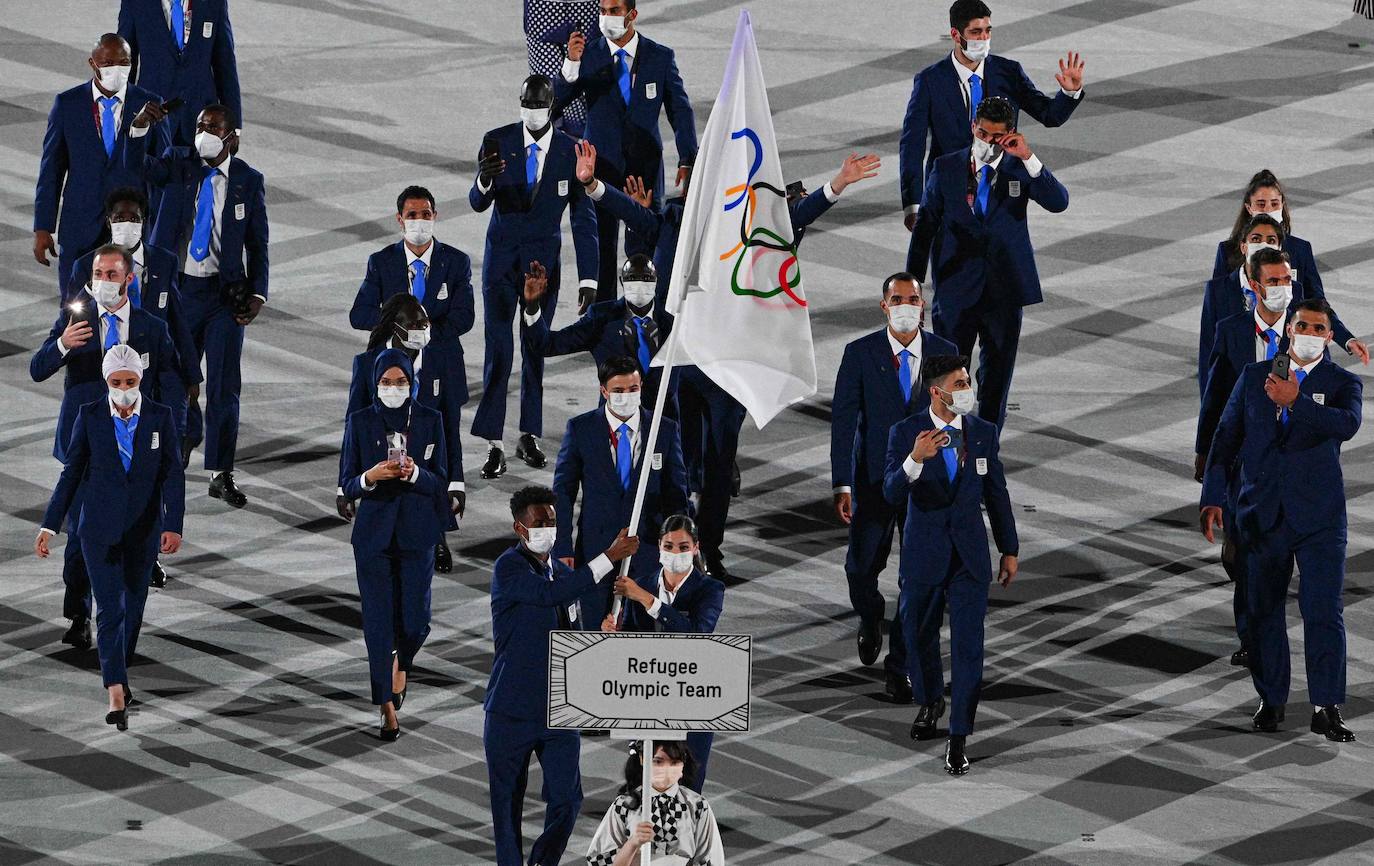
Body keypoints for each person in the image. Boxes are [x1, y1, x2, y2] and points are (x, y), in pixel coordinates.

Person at [579, 140, 881, 578]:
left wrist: (836, 185)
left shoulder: (751, 222)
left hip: (729, 359)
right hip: (680, 359)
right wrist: (592, 185)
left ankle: (710, 549)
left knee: (720, 460)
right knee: (679, 458)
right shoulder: (672, 219)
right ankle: (674, 545)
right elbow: (632, 213)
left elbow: (793, 218)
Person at [1201, 299, 1362, 742]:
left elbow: (1347, 425)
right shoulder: (1254, 377)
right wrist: (1213, 497)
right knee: (1264, 611)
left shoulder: (1343, 382)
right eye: (1303, 324)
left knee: (1323, 611)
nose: (1310, 332)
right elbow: (1226, 437)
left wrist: (1297, 401)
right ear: (1289, 330)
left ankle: (1325, 706)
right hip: (1263, 515)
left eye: (1319, 327)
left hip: (1320, 519)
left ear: (1329, 336)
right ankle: (1271, 699)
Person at [30, 245, 183, 644]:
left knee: (136, 525)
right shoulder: (74, 318)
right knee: (82, 534)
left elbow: (168, 382)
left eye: (112, 275)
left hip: (136, 444)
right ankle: (78, 615)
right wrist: (63, 344)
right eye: (98, 274)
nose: (103, 282)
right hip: (88, 446)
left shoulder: (152, 327)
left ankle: (123, 620)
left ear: (129, 279)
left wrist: (174, 434)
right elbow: (37, 369)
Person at [484, 486, 637, 866]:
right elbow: (549, 595)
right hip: (511, 710)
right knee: (506, 808)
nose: (547, 529)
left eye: (552, 521)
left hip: (559, 710)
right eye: (540, 523)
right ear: (520, 528)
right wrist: (607, 558)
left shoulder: (565, 573)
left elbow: (570, 635)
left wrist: (597, 639)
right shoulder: (509, 568)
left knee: (568, 801)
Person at [34, 344, 184, 732]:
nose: (123, 388)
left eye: (129, 381)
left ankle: (121, 673)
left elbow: (172, 474)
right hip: (97, 530)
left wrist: (173, 525)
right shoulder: (88, 417)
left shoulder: (160, 417)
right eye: (116, 382)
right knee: (110, 610)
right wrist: (50, 525)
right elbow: (71, 474)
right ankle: (115, 689)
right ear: (105, 381)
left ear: (140, 379)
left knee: (132, 609)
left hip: (142, 532)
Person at [128, 101, 268, 507]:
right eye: (200, 124)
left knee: (225, 386)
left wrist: (258, 292)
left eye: (213, 127)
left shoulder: (248, 180)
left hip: (225, 298)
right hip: (177, 293)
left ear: (231, 137)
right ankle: (177, 442)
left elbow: (258, 242)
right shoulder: (178, 161)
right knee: (172, 378)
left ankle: (220, 472)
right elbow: (138, 169)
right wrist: (138, 130)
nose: (204, 132)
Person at [883, 355, 1017, 775]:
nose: (967, 389)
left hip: (969, 558)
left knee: (967, 646)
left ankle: (959, 735)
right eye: (959, 383)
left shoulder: (982, 434)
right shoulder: (905, 433)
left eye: (967, 381)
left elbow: (996, 491)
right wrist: (915, 459)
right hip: (924, 554)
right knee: (917, 633)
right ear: (936, 392)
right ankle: (929, 700)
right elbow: (889, 492)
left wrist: (1008, 547)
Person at [908, 95, 1069, 430]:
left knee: (996, 380)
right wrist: (912, 286)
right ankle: (945, 441)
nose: (988, 142)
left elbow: (1059, 202)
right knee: (947, 373)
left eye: (996, 137)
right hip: (955, 290)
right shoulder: (946, 167)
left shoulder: (1020, 168)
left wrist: (1029, 157)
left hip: (1004, 293)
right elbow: (925, 228)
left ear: (1010, 134)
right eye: (982, 134)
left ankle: (987, 449)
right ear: (973, 127)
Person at [831, 273, 956, 700]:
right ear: (884, 306)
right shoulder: (859, 354)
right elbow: (844, 423)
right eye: (897, 299)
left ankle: (900, 664)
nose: (906, 306)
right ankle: (870, 615)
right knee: (860, 569)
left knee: (918, 578)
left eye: (913, 299)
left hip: (926, 484)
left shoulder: (946, 353)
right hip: (873, 481)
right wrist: (842, 483)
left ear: (923, 306)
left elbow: (957, 421)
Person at [469, 74, 599, 480]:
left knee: (535, 348)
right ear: (520, 103)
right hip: (500, 265)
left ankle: (529, 434)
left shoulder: (569, 151)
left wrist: (589, 279)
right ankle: (493, 443)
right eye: (526, 103)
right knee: (499, 350)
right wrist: (485, 178)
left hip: (542, 270)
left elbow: (582, 217)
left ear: (551, 106)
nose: (531, 112)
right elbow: (477, 202)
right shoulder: (497, 140)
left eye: (539, 105)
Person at [345, 186, 474, 568]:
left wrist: (424, 331)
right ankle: (389, 528)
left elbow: (464, 316)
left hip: (441, 369)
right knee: (395, 448)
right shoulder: (381, 262)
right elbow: (358, 314)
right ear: (399, 219)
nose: (420, 221)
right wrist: (397, 321)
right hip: (393, 374)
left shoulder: (457, 262)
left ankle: (438, 537)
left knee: (440, 447)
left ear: (436, 217)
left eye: (427, 213)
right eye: (413, 214)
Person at [1195, 247, 1308, 668]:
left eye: (1286, 281)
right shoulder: (1231, 330)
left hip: (1289, 466)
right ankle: (1252, 634)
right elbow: (1214, 404)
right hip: (1243, 462)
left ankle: (1264, 634)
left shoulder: (1305, 334)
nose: (1282, 288)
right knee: (1238, 556)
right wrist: (1204, 458)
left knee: (1274, 557)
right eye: (1274, 282)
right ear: (1255, 285)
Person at [555, 0, 697, 303]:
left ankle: (646, 321)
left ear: (632, 14)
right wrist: (570, 64)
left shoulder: (660, 57)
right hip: (600, 168)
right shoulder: (588, 55)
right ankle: (604, 325)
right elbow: (556, 106)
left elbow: (680, 110)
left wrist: (688, 157)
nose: (606, 17)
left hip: (643, 169)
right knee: (603, 246)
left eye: (614, 11)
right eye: (603, 11)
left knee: (644, 245)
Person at [339, 349, 447, 741]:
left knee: (416, 623)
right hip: (373, 539)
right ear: (375, 383)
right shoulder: (360, 421)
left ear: (412, 383)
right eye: (386, 382)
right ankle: (385, 706)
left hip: (417, 534)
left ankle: (402, 661)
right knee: (378, 625)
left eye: (400, 382)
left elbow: (441, 480)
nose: (393, 388)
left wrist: (416, 472)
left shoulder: (431, 420)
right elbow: (347, 483)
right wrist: (372, 475)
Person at [899, 0, 1083, 230]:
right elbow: (912, 145)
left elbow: (1049, 116)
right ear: (956, 35)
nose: (984, 38)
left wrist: (1069, 91)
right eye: (975, 32)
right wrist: (913, 205)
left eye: (987, 31)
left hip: (1001, 191)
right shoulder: (930, 80)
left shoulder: (1009, 73)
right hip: (948, 192)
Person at [552, 355, 689, 625]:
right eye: (618, 391)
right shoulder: (581, 429)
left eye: (633, 389)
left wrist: (678, 546)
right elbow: (563, 493)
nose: (626, 396)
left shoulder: (664, 429)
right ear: (604, 391)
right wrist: (563, 547)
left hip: (648, 552)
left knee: (642, 636)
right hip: (595, 550)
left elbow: (677, 494)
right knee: (595, 630)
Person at [33, 33, 171, 293]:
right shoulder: (67, 104)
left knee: (129, 315)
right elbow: (51, 169)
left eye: (124, 62)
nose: (117, 70)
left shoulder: (150, 105)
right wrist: (43, 226)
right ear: (92, 63)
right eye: (108, 64)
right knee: (75, 314)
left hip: (131, 229)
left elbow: (164, 171)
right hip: (80, 227)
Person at [339, 294, 467, 573]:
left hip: (425, 445)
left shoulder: (441, 360)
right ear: (396, 328)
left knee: (427, 479)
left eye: (425, 323)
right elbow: (352, 425)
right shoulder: (366, 363)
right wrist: (344, 486)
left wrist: (456, 481)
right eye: (416, 324)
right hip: (379, 453)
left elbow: (450, 423)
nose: (423, 329)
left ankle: (436, 540)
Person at [68, 187, 202, 452]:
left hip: (155, 373)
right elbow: (72, 320)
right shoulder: (86, 266)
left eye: (134, 218)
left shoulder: (164, 262)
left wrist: (192, 375)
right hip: (109, 376)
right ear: (108, 222)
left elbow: (177, 319)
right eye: (119, 218)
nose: (126, 224)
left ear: (144, 222)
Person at [602, 515, 724, 790]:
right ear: (658, 546)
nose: (675, 553)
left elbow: (696, 635)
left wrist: (648, 600)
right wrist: (614, 636)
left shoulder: (710, 589)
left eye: (683, 547)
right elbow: (634, 639)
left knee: (688, 786)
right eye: (668, 546)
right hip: (651, 695)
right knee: (646, 782)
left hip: (693, 697)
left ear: (696, 548)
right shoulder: (641, 582)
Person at [1198, 215, 1365, 387]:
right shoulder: (1218, 293)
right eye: (1256, 239)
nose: (1263, 244)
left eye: (1271, 240)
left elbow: (1317, 316)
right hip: (1239, 389)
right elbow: (1208, 350)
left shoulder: (1293, 289)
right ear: (1243, 246)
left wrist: (1345, 340)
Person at [525, 254, 676, 412]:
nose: (639, 284)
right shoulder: (601, 317)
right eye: (632, 278)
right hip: (613, 421)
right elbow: (548, 345)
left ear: (656, 281)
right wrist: (532, 306)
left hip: (665, 423)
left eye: (646, 278)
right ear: (621, 282)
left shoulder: (674, 321)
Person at [118, 0, 242, 145]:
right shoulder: (135, 3)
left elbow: (225, 63)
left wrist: (235, 126)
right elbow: (124, 61)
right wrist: (124, 118)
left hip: (203, 120)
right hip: (152, 116)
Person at [583, 741, 724, 866]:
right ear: (642, 759)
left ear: (683, 766)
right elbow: (598, 860)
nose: (666, 769)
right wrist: (632, 843)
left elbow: (711, 859)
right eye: (658, 761)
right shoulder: (624, 805)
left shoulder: (697, 805)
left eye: (674, 762)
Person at [1210, 170, 1322, 295]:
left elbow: (1317, 299)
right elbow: (1217, 297)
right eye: (1261, 204)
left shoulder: (1301, 249)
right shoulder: (1227, 250)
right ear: (1249, 208)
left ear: (1282, 205)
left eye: (1274, 204)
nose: (1268, 210)